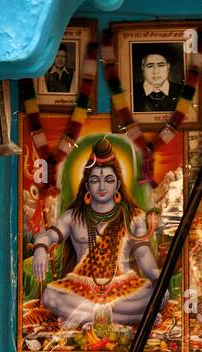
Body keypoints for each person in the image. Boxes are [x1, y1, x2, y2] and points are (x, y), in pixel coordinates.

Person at [28, 138, 161, 330]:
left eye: (108, 180)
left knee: (159, 296)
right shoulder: (73, 216)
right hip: (81, 287)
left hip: (123, 287)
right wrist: (41, 247)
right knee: (50, 295)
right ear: (87, 184)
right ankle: (126, 317)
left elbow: (144, 257)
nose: (101, 187)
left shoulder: (133, 216)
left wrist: (158, 279)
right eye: (95, 180)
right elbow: (48, 236)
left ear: (117, 184)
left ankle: (85, 317)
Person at [133, 49, 179, 113]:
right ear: (142, 68)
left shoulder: (182, 91)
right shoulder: (131, 91)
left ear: (168, 67)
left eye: (160, 65)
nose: (155, 71)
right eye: (150, 66)